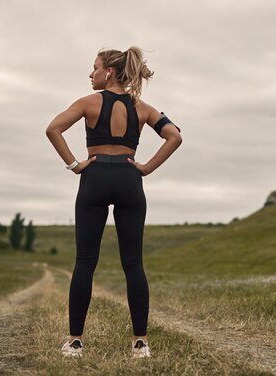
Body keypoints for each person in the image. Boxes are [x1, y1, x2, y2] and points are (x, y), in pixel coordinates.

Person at [45, 46, 183, 359]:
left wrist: (74, 165)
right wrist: (145, 168)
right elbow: (174, 136)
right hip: (129, 180)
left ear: (109, 72)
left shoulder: (87, 102)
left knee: (85, 261)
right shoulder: (143, 107)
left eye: (94, 68)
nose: (90, 74)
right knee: (133, 263)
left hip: (94, 178)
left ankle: (76, 342)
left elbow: (52, 128)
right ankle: (140, 343)